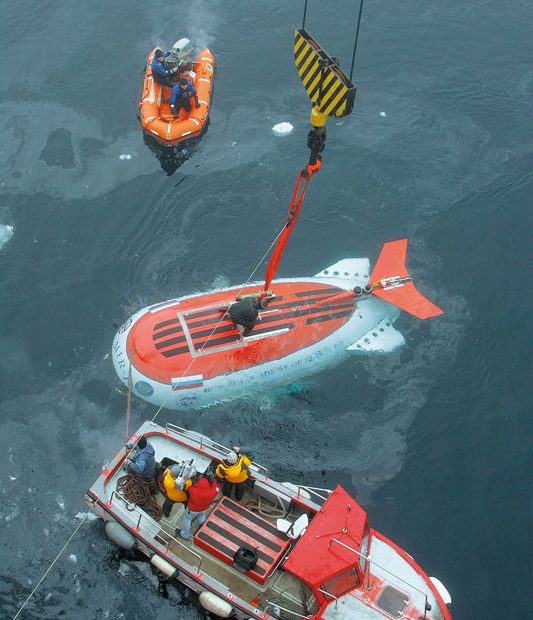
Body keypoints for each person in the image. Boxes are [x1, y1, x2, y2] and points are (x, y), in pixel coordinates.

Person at [179, 473, 220, 540]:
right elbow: (217, 488)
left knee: (187, 520)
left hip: (192, 509)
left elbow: (188, 487)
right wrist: (213, 481)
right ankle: (200, 528)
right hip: (204, 508)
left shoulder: (193, 490)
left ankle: (184, 534)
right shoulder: (212, 491)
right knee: (202, 516)